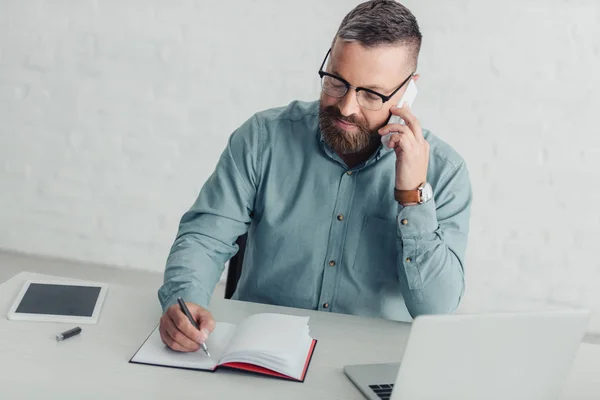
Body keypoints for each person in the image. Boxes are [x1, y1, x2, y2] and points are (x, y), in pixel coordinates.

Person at [157, 0, 472, 353]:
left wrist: (413, 195)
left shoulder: (445, 173)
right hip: (260, 354)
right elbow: (204, 237)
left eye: (371, 94)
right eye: (337, 81)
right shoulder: (263, 138)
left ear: (407, 90)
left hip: (367, 361)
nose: (347, 107)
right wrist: (183, 302)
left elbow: (436, 309)